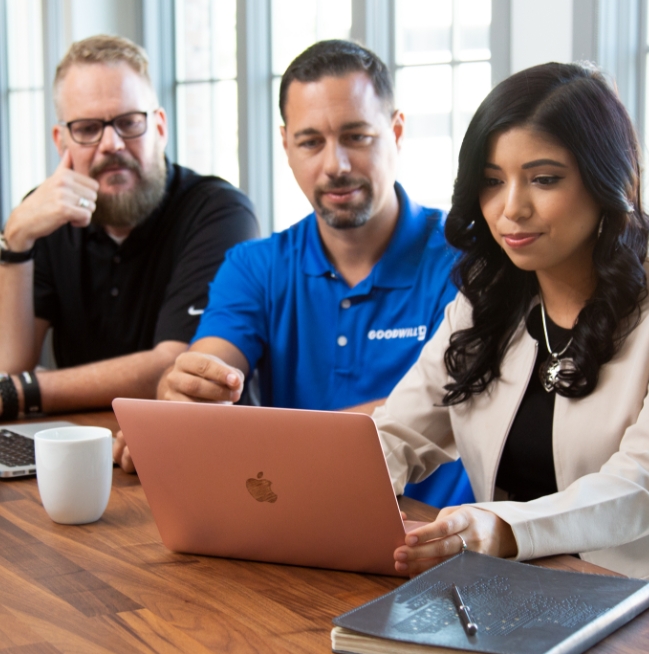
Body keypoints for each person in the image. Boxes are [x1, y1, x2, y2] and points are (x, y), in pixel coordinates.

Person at [371, 62, 649, 631]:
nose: (511, 208)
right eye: (492, 180)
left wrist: (505, 527)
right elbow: (399, 434)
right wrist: (312, 494)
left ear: (606, 181)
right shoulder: (487, 302)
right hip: (530, 605)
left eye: (543, 179)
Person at [114, 40, 474, 508]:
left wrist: (262, 443)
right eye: (310, 142)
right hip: (293, 523)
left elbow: (437, 410)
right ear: (285, 145)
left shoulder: (465, 259)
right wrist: (180, 396)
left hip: (435, 537)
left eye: (356, 136)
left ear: (397, 131)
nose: (335, 165)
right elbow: (209, 369)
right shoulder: (255, 266)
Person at [0, 35, 259, 420]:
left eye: (129, 123)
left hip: (184, 446)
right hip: (79, 443)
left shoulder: (218, 211)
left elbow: (174, 365)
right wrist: (16, 241)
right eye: (88, 128)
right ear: (61, 141)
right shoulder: (46, 214)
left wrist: (25, 391)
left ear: (159, 127)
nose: (112, 143)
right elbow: (10, 365)